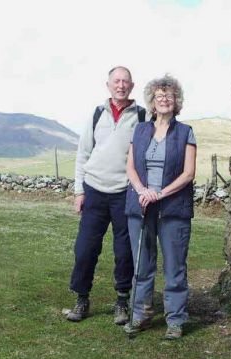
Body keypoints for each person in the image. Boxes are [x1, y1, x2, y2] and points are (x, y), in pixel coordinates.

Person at [62, 66, 146, 325]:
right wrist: (79, 191)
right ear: (108, 85)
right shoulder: (97, 113)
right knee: (85, 248)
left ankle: (121, 301)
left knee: (124, 251)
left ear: (132, 86)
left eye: (125, 82)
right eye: (116, 81)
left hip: (125, 192)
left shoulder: (142, 116)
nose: (121, 85)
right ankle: (81, 298)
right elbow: (83, 153)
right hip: (94, 190)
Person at [123, 74, 196, 340]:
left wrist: (159, 194)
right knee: (142, 264)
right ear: (152, 103)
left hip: (173, 208)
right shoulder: (140, 130)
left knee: (175, 266)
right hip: (140, 206)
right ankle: (140, 315)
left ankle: (175, 320)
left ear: (177, 102)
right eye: (159, 96)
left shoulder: (186, 132)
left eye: (169, 95)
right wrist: (143, 191)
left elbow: (188, 173)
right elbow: (130, 166)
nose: (164, 99)